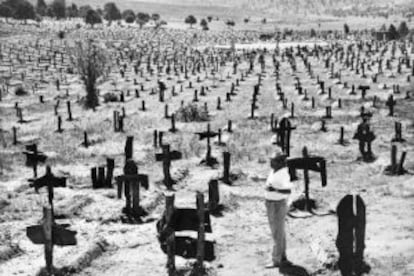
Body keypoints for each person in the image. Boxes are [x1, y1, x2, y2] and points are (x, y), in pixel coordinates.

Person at [265, 152, 294, 268]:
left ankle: (276, 260)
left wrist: (275, 190)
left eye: (273, 161)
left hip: (278, 204)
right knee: (279, 232)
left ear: (280, 163)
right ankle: (282, 257)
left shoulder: (284, 174)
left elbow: (288, 191)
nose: (271, 162)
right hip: (271, 203)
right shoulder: (274, 171)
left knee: (277, 232)